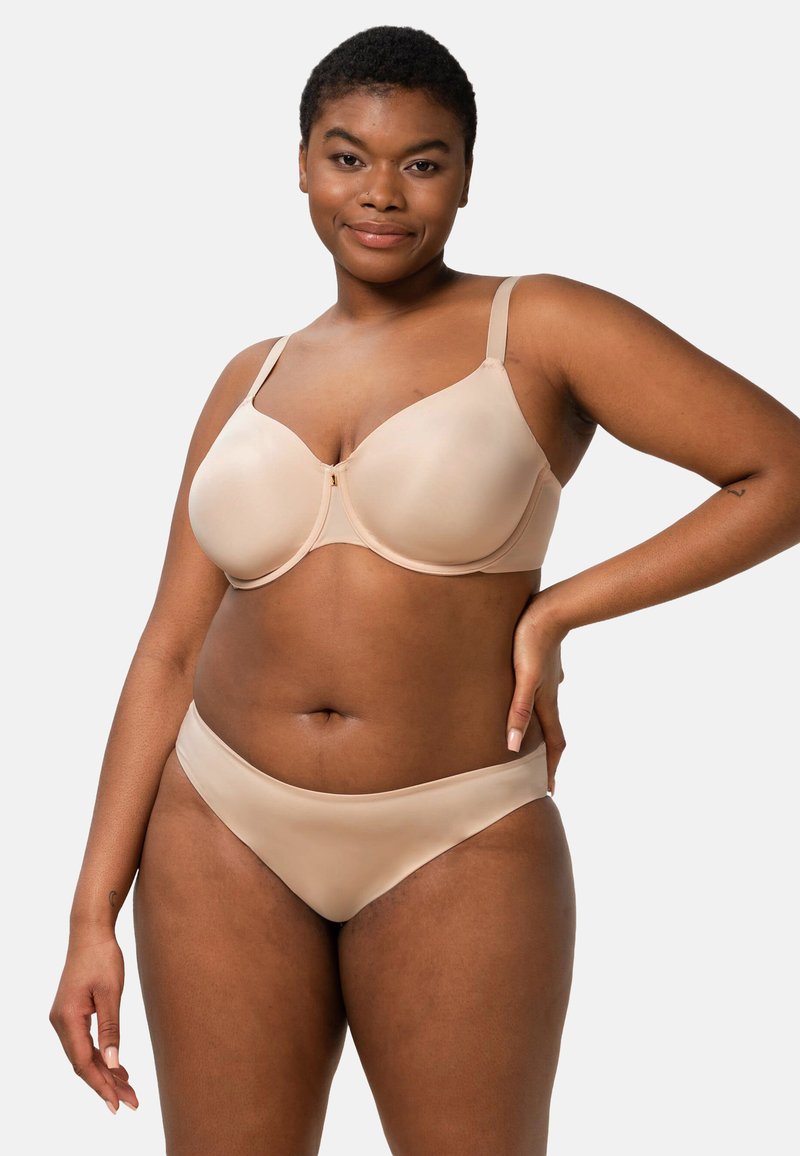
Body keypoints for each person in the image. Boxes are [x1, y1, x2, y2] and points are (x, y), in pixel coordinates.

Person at [48, 23, 800, 1156]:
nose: (381, 194)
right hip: (217, 826)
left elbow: (778, 471)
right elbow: (167, 648)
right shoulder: (247, 376)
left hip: (457, 832)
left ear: (466, 177)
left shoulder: (537, 326)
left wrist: (558, 608)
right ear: (303, 165)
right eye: (348, 157)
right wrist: (89, 914)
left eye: (423, 162)